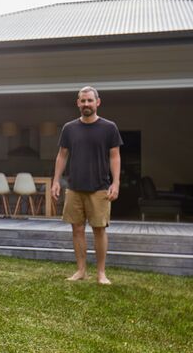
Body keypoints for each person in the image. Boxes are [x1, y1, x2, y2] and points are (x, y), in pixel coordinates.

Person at [51, 86, 122, 285]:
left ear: (97, 102)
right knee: (77, 230)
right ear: (78, 103)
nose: (86, 104)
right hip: (74, 187)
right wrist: (56, 180)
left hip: (100, 187)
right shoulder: (69, 128)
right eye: (83, 101)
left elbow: (115, 156)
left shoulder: (109, 128)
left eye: (90, 100)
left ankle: (101, 273)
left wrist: (116, 183)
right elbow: (62, 155)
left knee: (99, 229)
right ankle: (81, 270)